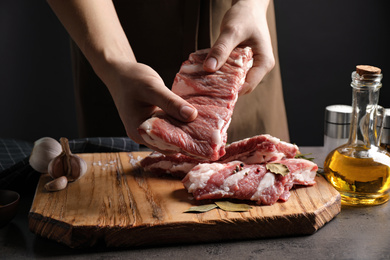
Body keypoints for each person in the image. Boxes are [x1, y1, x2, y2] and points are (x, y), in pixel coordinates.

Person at [47, 0, 289, 148]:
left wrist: (253, 5)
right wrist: (115, 64)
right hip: (114, 27)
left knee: (260, 171)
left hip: (241, 26)